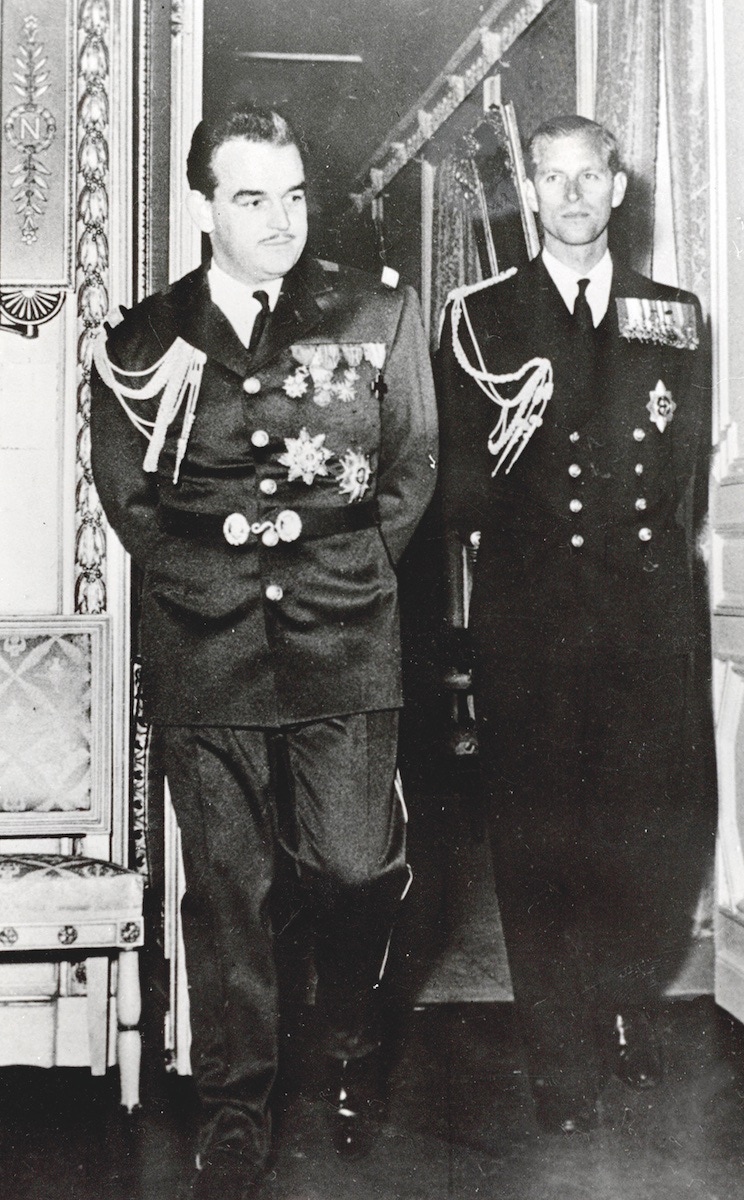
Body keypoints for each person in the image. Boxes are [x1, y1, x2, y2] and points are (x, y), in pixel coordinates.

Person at [90, 105, 437, 1199]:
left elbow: (411, 469)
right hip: (208, 646)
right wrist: (214, 588)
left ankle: (351, 1041)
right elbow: (130, 500)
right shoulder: (143, 337)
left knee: (352, 864)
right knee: (229, 889)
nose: (279, 220)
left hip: (344, 634)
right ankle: (235, 1110)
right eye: (251, 199)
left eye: (292, 194)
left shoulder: (376, 313)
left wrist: (345, 573)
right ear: (204, 208)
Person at [436, 115, 716, 1135]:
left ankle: (621, 1002)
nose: (568, 196)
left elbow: (677, 477)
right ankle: (558, 1049)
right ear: (531, 196)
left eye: (585, 176)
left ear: (617, 185)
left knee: (650, 832)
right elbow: (460, 485)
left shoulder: (672, 317)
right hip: (531, 624)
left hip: (644, 619)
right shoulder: (481, 320)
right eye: (549, 179)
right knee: (539, 836)